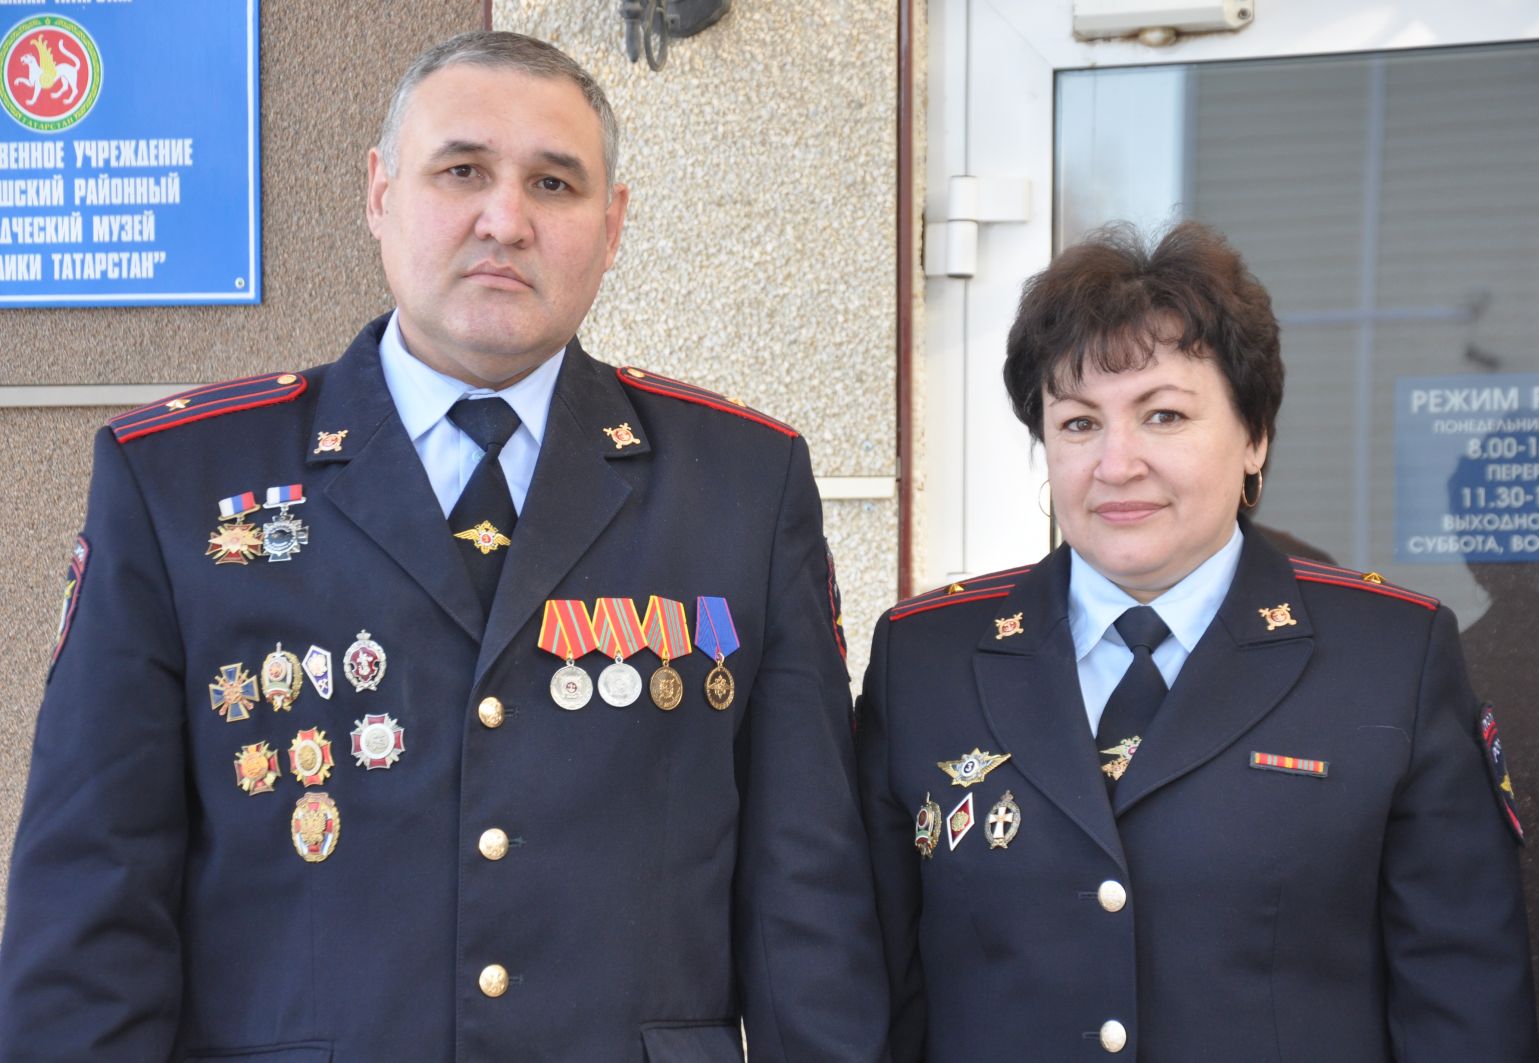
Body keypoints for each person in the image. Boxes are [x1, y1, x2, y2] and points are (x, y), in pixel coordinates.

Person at [0, 32, 888, 1062]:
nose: (504, 219)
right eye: (461, 170)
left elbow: (807, 905)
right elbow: (93, 897)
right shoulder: (177, 481)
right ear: (380, 193)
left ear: (612, 226)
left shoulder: (741, 484)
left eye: (553, 183)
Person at [855, 221, 1538, 1061]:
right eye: (1078, 423)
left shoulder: (1389, 657)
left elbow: (1464, 1007)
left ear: (1255, 437)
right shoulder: (925, 659)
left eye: (1164, 415)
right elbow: (872, 991)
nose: (1117, 463)